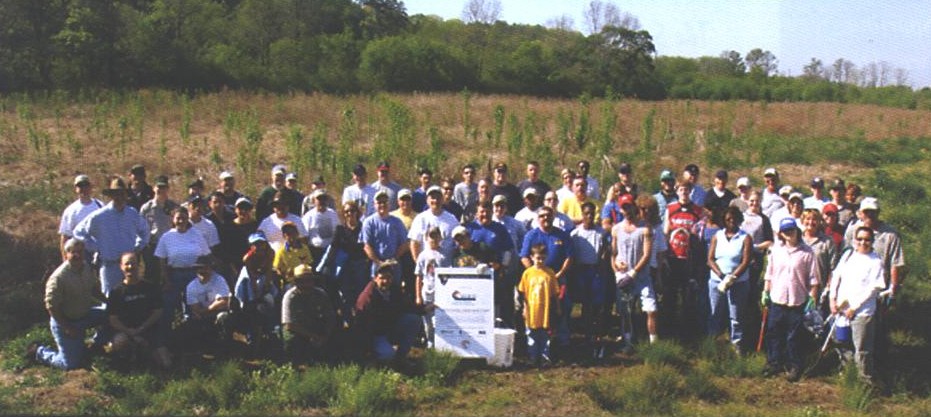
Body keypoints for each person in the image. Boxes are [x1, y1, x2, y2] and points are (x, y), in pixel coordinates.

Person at [28, 238, 108, 370]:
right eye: (73, 252)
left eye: (80, 252)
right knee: (70, 364)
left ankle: (95, 344)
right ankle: (38, 351)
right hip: (66, 322)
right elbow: (51, 307)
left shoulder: (86, 267)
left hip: (85, 315)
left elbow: (94, 289)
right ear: (66, 255)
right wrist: (66, 327)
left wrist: (110, 303)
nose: (77, 255)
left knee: (110, 315)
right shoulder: (58, 278)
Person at [762, 218, 820, 382]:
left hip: (797, 300)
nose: (789, 233)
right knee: (774, 333)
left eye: (791, 230)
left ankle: (794, 365)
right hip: (777, 298)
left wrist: (812, 298)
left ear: (797, 231)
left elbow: (814, 279)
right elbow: (769, 274)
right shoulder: (776, 251)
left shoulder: (807, 253)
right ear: (780, 233)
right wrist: (766, 292)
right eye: (785, 231)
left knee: (793, 336)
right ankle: (774, 362)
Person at [73, 176, 150, 296]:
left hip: (129, 267)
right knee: (111, 301)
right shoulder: (99, 216)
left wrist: (137, 247)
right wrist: (95, 247)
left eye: (121, 194)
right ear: (111, 196)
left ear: (125, 195)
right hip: (110, 266)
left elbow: (145, 231)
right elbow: (78, 232)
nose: (119, 197)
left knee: (131, 298)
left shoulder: (132, 214)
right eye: (116, 194)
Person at [830, 226, 885, 385]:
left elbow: (873, 289)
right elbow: (836, 276)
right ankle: (848, 373)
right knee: (841, 342)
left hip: (862, 313)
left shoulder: (876, 261)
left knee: (862, 349)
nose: (863, 242)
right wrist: (832, 300)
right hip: (841, 310)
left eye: (867, 239)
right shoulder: (848, 255)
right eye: (859, 239)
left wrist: (854, 307)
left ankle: (864, 382)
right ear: (854, 240)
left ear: (872, 241)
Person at [153, 206, 211, 346]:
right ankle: (166, 340)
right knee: (169, 308)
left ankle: (191, 339)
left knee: (192, 308)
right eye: (178, 218)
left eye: (184, 218)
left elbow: (206, 255)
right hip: (174, 275)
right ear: (173, 219)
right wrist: (166, 280)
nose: (181, 221)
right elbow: (162, 260)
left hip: (193, 275)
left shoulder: (196, 234)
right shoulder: (167, 237)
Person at [520, 206, 573, 354]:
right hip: (536, 281)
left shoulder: (561, 235)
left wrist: (559, 274)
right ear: (538, 218)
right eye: (542, 216)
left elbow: (569, 257)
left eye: (548, 215)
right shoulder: (531, 235)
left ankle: (561, 340)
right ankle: (535, 343)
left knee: (562, 308)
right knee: (536, 309)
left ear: (553, 217)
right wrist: (534, 273)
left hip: (557, 277)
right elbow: (524, 256)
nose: (545, 218)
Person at [106, 252, 168, 369]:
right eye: (127, 264)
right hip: (126, 332)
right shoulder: (116, 292)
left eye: (133, 263)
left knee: (165, 364)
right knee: (120, 341)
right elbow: (113, 319)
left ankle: (144, 355)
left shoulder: (150, 287)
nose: (130, 267)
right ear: (121, 266)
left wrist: (142, 328)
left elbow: (158, 311)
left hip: (148, 330)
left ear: (139, 265)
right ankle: (127, 362)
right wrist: (130, 332)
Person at [354, 262, 423, 365]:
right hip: (375, 335)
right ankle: (374, 356)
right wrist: (365, 349)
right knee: (387, 356)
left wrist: (424, 309)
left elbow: (407, 306)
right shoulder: (366, 298)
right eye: (382, 278)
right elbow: (362, 327)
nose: (386, 281)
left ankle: (401, 357)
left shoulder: (394, 290)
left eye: (389, 277)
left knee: (413, 320)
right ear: (375, 278)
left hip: (390, 329)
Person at [612, 194, 657, 351]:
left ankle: (654, 344)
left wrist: (633, 273)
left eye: (629, 207)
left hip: (641, 277)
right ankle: (628, 341)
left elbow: (646, 254)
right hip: (623, 276)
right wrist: (616, 270)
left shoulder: (645, 228)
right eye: (624, 208)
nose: (627, 211)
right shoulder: (616, 229)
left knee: (651, 309)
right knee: (626, 311)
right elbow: (613, 253)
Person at [706, 206, 753, 354]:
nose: (731, 221)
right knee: (715, 313)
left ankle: (737, 344)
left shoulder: (745, 237)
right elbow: (710, 259)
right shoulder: (717, 236)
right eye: (728, 219)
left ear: (739, 219)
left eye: (734, 219)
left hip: (738, 283)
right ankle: (712, 342)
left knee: (736, 316)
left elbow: (745, 261)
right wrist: (721, 276)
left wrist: (732, 278)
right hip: (716, 281)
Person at [663, 181, 704, 341]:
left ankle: (687, 331)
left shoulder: (697, 210)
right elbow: (666, 232)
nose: (684, 192)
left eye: (687, 190)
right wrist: (664, 256)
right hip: (673, 258)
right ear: (676, 191)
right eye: (681, 189)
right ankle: (668, 330)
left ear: (690, 192)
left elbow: (699, 235)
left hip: (689, 259)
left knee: (688, 296)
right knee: (670, 295)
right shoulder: (671, 209)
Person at [570, 201, 611, 354]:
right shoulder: (575, 234)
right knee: (585, 304)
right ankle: (585, 334)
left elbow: (605, 252)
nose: (589, 216)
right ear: (582, 214)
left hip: (596, 270)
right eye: (586, 214)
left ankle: (597, 334)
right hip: (581, 270)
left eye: (592, 214)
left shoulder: (601, 233)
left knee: (597, 304)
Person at [465, 202, 514, 326]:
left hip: (494, 274)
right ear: (476, 214)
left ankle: (494, 331)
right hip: (473, 275)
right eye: (482, 212)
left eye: (487, 212)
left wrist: (503, 266)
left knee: (494, 305)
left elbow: (508, 250)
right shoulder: (470, 228)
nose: (485, 214)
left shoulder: (500, 228)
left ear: (492, 213)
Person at [281, 264, 337, 365]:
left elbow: (330, 316)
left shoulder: (321, 294)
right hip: (298, 331)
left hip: (315, 328)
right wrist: (313, 336)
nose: (306, 284)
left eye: (309, 280)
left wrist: (325, 336)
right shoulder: (289, 297)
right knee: (290, 339)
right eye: (301, 281)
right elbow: (289, 325)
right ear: (295, 282)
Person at [518, 244, 561, 368]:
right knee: (531, 333)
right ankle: (532, 357)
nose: (540, 261)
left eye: (543, 258)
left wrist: (557, 308)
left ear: (546, 257)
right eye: (538, 258)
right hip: (531, 309)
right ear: (532, 257)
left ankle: (544, 357)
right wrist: (524, 309)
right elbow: (523, 293)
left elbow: (555, 293)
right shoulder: (527, 273)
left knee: (544, 334)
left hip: (546, 309)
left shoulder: (549, 273)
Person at [181, 256, 233, 353]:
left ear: (211, 269)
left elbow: (224, 301)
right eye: (200, 268)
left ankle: (226, 349)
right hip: (201, 316)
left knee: (224, 317)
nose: (203, 271)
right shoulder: (191, 286)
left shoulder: (219, 280)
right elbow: (195, 309)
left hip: (217, 313)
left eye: (205, 268)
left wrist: (207, 309)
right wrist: (212, 308)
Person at [361, 190, 410, 285]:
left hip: (394, 265)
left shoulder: (397, 222)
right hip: (376, 265)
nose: (382, 205)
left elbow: (405, 244)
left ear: (389, 204)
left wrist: (393, 258)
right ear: (374, 205)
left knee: (394, 291)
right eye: (379, 202)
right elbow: (366, 246)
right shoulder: (368, 222)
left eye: (384, 202)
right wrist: (378, 262)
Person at [140, 176, 179, 285]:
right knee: (152, 276)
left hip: (170, 246)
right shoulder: (146, 208)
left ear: (168, 189)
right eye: (159, 187)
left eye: (164, 187)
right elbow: (141, 228)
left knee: (170, 275)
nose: (161, 190)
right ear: (154, 188)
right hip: (152, 246)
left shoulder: (174, 207)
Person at [414, 227, 449, 348]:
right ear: (426, 238)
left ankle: (440, 345)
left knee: (438, 321)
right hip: (427, 292)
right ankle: (430, 343)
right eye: (431, 236)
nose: (433, 239)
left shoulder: (445, 254)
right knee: (427, 322)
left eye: (436, 236)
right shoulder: (422, 255)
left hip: (440, 292)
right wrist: (418, 296)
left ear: (440, 238)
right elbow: (418, 276)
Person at [58, 174, 103, 261]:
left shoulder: (100, 206)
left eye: (85, 185)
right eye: (80, 186)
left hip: (98, 250)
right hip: (78, 253)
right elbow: (65, 236)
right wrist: (65, 258)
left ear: (90, 187)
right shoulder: (70, 210)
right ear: (76, 189)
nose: (83, 188)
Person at [801, 208, 837, 295]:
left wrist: (828, 287)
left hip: (819, 289)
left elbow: (833, 268)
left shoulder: (828, 241)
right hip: (799, 288)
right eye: (808, 219)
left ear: (819, 221)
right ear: (802, 221)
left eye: (814, 219)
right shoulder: (797, 239)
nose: (810, 222)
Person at [272, 221, 313, 290]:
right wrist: (284, 275)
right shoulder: (281, 251)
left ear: (297, 233)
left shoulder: (304, 248)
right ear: (284, 236)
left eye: (293, 232)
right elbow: (277, 268)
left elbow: (309, 263)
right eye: (288, 234)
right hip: (290, 282)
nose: (291, 236)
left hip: (305, 280)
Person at [302, 189, 340, 263]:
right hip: (315, 251)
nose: (322, 201)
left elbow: (338, 231)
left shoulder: (332, 214)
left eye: (324, 199)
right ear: (314, 201)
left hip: (330, 251)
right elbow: (304, 237)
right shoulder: (308, 216)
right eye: (319, 199)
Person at [228, 197, 259, 273]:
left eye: (246, 208)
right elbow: (227, 249)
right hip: (236, 266)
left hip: (254, 264)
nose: (243, 211)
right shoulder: (229, 227)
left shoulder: (256, 225)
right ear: (235, 210)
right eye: (240, 208)